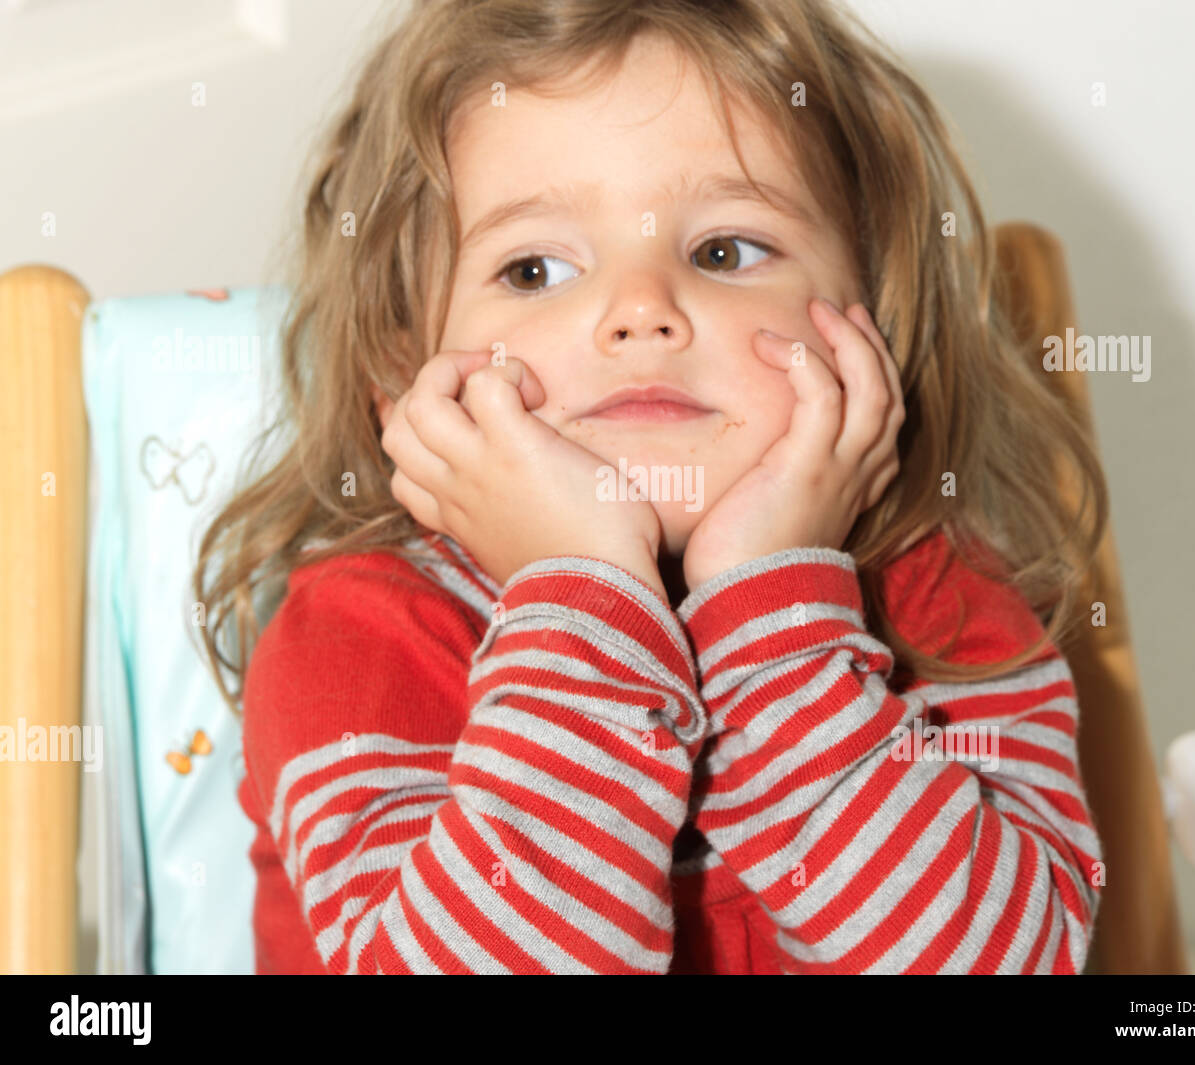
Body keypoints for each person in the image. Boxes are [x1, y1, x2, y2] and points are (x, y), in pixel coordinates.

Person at [195, 0, 1108, 974]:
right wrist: (583, 592)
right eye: (535, 268)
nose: (639, 311)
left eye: (723, 251)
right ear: (402, 371)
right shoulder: (362, 639)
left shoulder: (934, 597)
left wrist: (772, 619)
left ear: (870, 323)